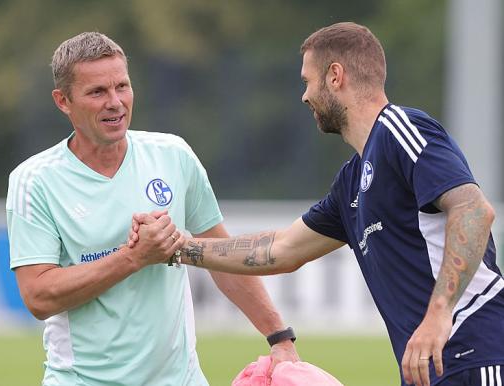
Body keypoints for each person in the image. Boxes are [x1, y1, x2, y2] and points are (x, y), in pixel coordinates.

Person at [131, 22, 504, 386]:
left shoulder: (400, 129)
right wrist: (176, 248)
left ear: (335, 76)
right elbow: (281, 250)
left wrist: (438, 316)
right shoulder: (350, 182)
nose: (305, 95)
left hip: (478, 352)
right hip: (434, 368)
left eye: (307, 81)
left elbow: (473, 210)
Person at [5, 31, 298, 386]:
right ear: (63, 101)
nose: (115, 102)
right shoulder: (34, 180)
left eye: (122, 86)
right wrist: (134, 257)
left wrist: (279, 337)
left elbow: (223, 259)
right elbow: (38, 296)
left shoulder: (172, 155)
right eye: (97, 92)